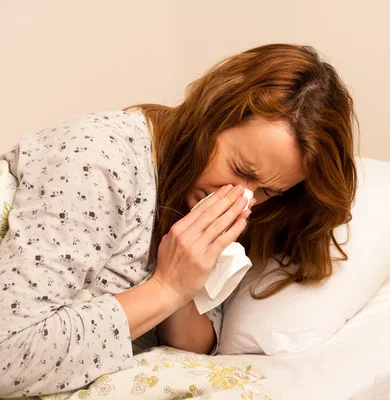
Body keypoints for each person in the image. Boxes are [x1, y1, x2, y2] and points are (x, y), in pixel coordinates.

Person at [0, 43, 357, 397]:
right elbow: (8, 355)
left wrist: (183, 290)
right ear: (212, 116)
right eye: (240, 169)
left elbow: (195, 344)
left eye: (267, 191)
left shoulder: (218, 203)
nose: (240, 199)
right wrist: (164, 288)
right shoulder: (98, 161)